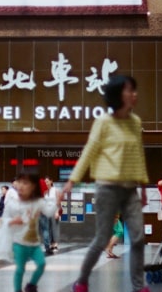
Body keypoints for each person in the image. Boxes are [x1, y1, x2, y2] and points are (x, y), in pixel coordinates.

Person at [61, 75, 150, 292]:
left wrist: (143, 187)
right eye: (130, 90)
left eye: (134, 90)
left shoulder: (136, 122)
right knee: (102, 238)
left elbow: (138, 155)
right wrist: (72, 180)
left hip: (130, 189)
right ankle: (82, 280)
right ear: (117, 94)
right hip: (107, 187)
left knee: (138, 238)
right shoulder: (103, 123)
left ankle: (139, 287)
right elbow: (89, 152)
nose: (134, 94)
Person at [3, 170, 58, 292]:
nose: (21, 185)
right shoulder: (14, 203)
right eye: (20, 182)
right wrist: (12, 222)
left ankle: (31, 285)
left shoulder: (38, 202)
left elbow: (48, 212)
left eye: (26, 183)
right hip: (19, 244)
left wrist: (57, 203)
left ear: (33, 187)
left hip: (34, 244)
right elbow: (4, 221)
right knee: (20, 269)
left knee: (42, 264)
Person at [40, 176, 61, 255]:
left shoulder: (55, 190)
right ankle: (49, 244)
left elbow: (58, 202)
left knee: (54, 227)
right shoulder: (44, 191)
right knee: (47, 228)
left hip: (54, 210)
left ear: (51, 182)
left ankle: (55, 244)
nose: (46, 183)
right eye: (45, 182)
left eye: (47, 181)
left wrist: (57, 212)